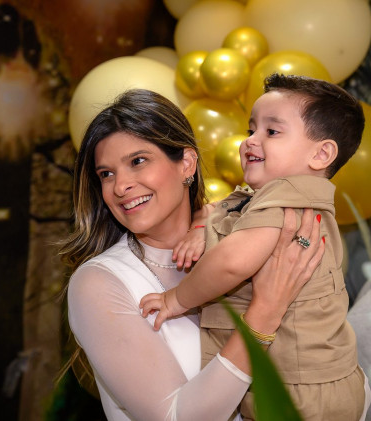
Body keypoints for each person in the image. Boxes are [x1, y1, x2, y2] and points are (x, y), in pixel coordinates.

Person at [60, 88, 325, 421]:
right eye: (106, 174)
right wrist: (265, 312)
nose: (120, 186)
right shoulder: (98, 284)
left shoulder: (245, 242)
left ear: (186, 163)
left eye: (138, 161)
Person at [140, 74, 371, 421]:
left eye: (271, 131)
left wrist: (177, 299)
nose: (251, 141)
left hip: (298, 395)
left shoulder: (286, 202)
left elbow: (232, 262)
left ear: (321, 153)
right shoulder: (285, 199)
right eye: (251, 129)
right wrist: (201, 227)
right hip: (318, 383)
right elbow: (223, 208)